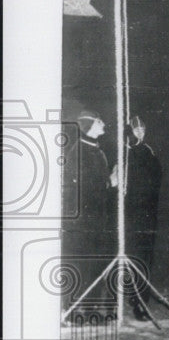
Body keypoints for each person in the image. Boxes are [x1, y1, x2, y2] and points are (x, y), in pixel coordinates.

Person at [61, 109, 115, 319]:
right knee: (82, 263)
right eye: (100, 121)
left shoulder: (96, 150)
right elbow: (85, 187)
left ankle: (90, 309)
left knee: (96, 264)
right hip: (83, 221)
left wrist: (109, 182)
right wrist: (109, 182)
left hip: (97, 219)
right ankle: (75, 310)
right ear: (90, 126)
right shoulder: (79, 152)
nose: (103, 124)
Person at [120, 116, 162, 320]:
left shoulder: (147, 153)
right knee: (127, 255)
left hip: (144, 214)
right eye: (136, 130)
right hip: (127, 214)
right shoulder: (124, 153)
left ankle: (140, 302)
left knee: (143, 257)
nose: (140, 133)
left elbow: (154, 183)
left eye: (143, 130)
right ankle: (126, 297)